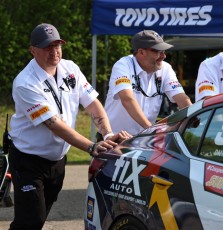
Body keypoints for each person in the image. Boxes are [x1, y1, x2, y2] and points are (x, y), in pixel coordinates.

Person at [8, 23, 131, 229]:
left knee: (38, 218)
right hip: (28, 161)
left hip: (57, 160)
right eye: (47, 47)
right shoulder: (25, 83)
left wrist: (107, 134)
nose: (54, 52)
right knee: (30, 221)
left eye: (57, 45)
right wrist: (90, 147)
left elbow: (92, 104)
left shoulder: (70, 68)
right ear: (32, 49)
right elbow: (53, 124)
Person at [104, 30, 192, 136]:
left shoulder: (165, 68)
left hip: (143, 139)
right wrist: (152, 130)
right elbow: (127, 100)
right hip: (115, 138)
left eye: (164, 51)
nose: (163, 56)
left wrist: (195, 119)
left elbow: (181, 98)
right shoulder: (123, 65)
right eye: (158, 51)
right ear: (141, 52)